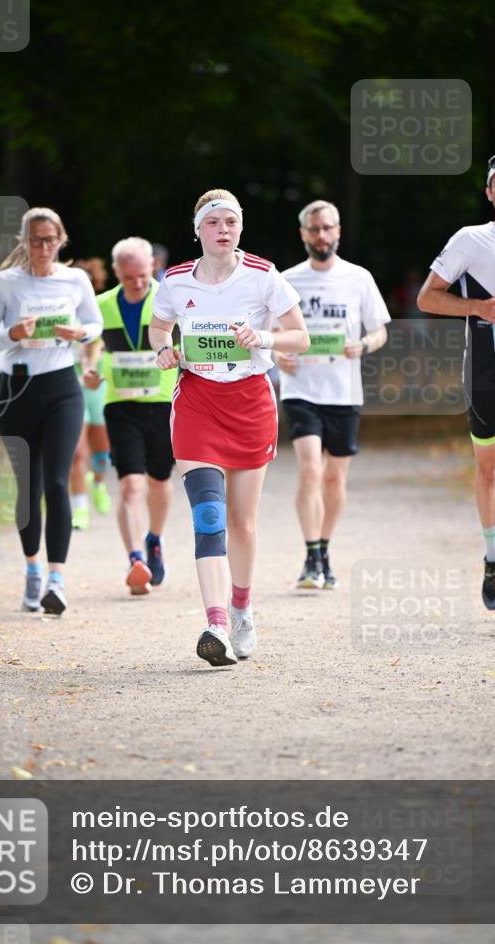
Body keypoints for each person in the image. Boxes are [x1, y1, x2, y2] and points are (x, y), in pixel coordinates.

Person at [149, 188, 309, 667]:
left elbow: (299, 337)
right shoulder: (176, 280)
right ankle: (215, 622)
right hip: (197, 401)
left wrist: (261, 337)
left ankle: (241, 607)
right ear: (197, 229)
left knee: (241, 522)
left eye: (232, 222)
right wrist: (164, 349)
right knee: (210, 516)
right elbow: (160, 327)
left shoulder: (263, 276)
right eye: (214, 222)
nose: (224, 230)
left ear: (241, 228)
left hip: (250, 403)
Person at [417, 150, 495, 619]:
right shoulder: (471, 240)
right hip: (486, 375)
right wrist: (478, 308)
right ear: (490, 193)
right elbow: (428, 297)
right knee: (490, 472)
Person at [0, 207, 103, 615]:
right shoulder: (5, 283)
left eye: (50, 240)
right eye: (35, 240)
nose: (43, 248)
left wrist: (79, 332)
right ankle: (32, 569)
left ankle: (57, 579)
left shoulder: (75, 279)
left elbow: (95, 324)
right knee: (29, 489)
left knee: (58, 482)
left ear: (61, 240)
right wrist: (12, 333)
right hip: (17, 390)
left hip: (63, 388)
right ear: (24, 241)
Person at [276, 200, 390, 590]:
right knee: (310, 467)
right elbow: (262, 332)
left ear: (337, 231)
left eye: (327, 228)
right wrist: (277, 354)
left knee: (335, 479)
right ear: (303, 234)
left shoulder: (358, 278)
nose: (321, 236)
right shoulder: (286, 280)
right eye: (314, 229)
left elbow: (380, 330)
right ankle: (310, 556)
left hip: (343, 391)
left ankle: (324, 548)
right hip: (300, 388)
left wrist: (364, 345)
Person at [84, 237, 177, 594]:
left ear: (153, 265)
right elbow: (90, 346)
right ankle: (136, 557)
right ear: (116, 274)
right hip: (119, 404)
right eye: (128, 278)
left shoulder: (170, 300)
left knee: (158, 482)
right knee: (130, 484)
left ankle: (155, 538)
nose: (137, 284)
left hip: (163, 401)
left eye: (142, 276)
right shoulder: (101, 305)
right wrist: (90, 369)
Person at [70, 258, 112, 529]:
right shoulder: (61, 312)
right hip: (72, 383)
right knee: (77, 452)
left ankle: (98, 482)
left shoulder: (102, 309)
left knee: (101, 451)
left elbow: (96, 345)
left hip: (99, 383)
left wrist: (90, 364)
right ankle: (80, 510)